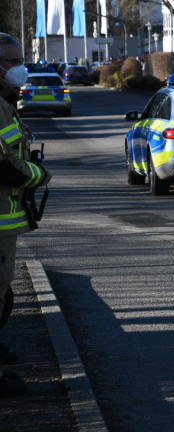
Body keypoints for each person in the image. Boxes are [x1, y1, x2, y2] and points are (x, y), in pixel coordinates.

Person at [0, 33, 51, 398]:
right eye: (12, 61)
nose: (20, 68)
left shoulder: (5, 101)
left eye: (21, 59)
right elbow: (4, 168)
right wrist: (39, 175)